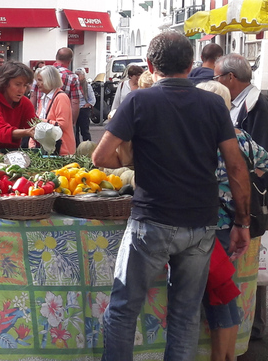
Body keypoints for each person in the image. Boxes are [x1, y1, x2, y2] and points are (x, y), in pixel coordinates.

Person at [92, 30, 251, 361]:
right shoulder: (213, 104)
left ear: (150, 65)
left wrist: (141, 157)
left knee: (122, 311)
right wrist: (242, 222)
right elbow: (237, 168)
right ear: (191, 65)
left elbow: (100, 158)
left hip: (152, 221)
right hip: (200, 224)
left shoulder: (139, 100)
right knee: (184, 316)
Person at [197, 80, 268, 361]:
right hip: (238, 224)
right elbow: (264, 162)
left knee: (218, 295)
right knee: (225, 291)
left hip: (211, 226)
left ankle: (221, 357)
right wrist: (249, 181)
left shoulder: (205, 138)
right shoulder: (241, 135)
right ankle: (228, 355)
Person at [213, 52, 268, 341]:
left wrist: (244, 182)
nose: (216, 80)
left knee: (237, 281)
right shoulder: (239, 105)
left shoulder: (258, 106)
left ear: (229, 78)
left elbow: (258, 160)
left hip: (239, 212)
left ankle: (254, 331)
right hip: (235, 213)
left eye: (217, 76)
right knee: (230, 283)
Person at [30, 47, 83, 123]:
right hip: (61, 120)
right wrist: (72, 122)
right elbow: (75, 102)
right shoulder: (72, 77)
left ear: (56, 57)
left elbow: (33, 96)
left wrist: (32, 117)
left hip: (41, 118)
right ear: (70, 61)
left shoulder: (41, 73)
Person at [32, 65, 76, 155]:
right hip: (46, 151)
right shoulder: (44, 98)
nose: (37, 83)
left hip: (61, 151)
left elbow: (62, 125)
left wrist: (39, 121)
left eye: (40, 80)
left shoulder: (61, 97)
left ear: (49, 80)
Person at [74, 68, 95, 145]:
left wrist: (87, 105)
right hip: (75, 109)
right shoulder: (74, 85)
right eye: (75, 75)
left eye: (78, 75)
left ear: (83, 76)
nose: (77, 77)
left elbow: (92, 99)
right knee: (75, 130)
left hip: (83, 110)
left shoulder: (87, 86)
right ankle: (76, 147)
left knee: (84, 130)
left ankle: (88, 147)